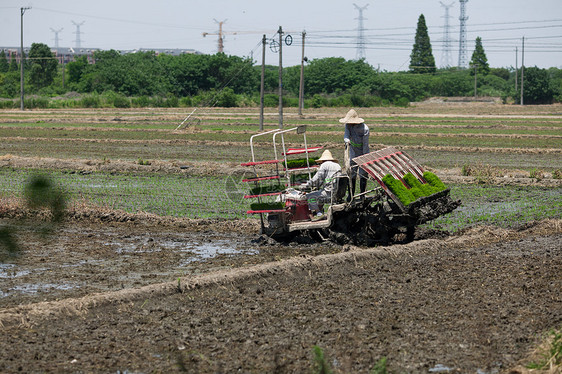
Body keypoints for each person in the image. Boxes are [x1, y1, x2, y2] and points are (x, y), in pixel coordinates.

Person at [300, 150, 341, 217]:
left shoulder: (324, 165)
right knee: (319, 193)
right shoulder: (337, 166)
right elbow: (325, 179)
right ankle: (320, 210)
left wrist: (307, 185)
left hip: (329, 192)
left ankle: (318, 214)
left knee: (309, 196)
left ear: (322, 160)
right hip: (337, 192)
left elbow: (317, 178)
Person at [341, 109, 370, 197]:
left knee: (363, 174)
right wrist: (347, 140)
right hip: (353, 151)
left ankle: (362, 195)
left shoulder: (365, 129)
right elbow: (346, 135)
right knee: (351, 173)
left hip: (363, 152)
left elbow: (365, 144)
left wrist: (364, 158)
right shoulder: (348, 126)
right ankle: (351, 194)